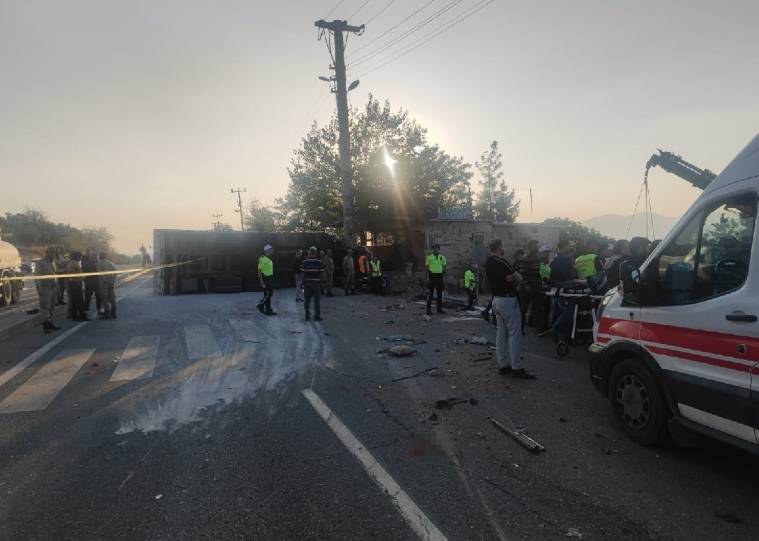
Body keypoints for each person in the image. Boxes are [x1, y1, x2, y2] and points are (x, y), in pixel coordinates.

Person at [486, 239, 534, 379]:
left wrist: (510, 278)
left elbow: (509, 278)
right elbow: (518, 277)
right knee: (515, 333)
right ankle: (517, 367)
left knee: (501, 333)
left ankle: (503, 365)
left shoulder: (488, 263)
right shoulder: (502, 261)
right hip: (508, 300)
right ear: (500, 247)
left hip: (496, 300)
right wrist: (513, 278)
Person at [516, 240, 546, 334]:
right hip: (528, 287)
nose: (537, 247)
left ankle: (538, 329)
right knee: (524, 309)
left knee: (535, 309)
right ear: (530, 246)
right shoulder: (525, 259)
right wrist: (526, 284)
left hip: (534, 287)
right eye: (535, 245)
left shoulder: (537, 259)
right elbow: (521, 274)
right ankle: (521, 329)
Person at [36, 246, 60, 333]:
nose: (52, 254)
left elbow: (55, 275)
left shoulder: (53, 262)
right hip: (45, 288)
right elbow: (37, 277)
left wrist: (58, 287)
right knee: (45, 308)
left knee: (52, 307)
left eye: (53, 252)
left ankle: (50, 323)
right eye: (50, 252)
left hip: (53, 287)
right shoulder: (40, 263)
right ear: (46, 253)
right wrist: (39, 289)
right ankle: (45, 326)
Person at [301, 246, 324, 321]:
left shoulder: (304, 262)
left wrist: (302, 283)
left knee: (307, 301)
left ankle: (307, 316)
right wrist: (322, 283)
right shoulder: (319, 262)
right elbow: (321, 274)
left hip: (307, 284)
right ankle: (317, 316)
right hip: (316, 284)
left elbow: (302, 274)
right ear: (316, 253)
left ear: (309, 252)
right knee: (317, 301)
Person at [66, 251, 88, 321]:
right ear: (77, 256)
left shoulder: (73, 263)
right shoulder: (73, 263)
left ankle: (74, 315)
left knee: (75, 301)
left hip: (75, 283)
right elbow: (72, 273)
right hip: (75, 283)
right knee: (79, 300)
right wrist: (78, 280)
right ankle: (81, 315)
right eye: (80, 256)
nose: (81, 258)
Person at [425, 244, 447, 315]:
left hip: (440, 276)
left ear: (439, 249)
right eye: (434, 249)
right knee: (430, 294)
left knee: (439, 294)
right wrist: (427, 277)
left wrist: (443, 274)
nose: (436, 250)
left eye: (437, 249)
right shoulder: (429, 257)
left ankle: (439, 309)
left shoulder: (442, 257)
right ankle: (428, 310)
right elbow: (427, 267)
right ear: (433, 249)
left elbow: (444, 266)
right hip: (432, 276)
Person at [82, 248, 102, 317]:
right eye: (92, 257)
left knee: (94, 297)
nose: (93, 258)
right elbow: (83, 274)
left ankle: (87, 311)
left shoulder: (87, 264)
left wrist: (85, 281)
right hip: (93, 282)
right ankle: (89, 311)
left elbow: (82, 274)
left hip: (92, 282)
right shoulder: (98, 263)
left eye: (94, 257)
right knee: (91, 298)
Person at [257, 244, 276, 315]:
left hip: (269, 278)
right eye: (271, 249)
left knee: (269, 294)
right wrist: (261, 280)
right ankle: (262, 306)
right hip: (265, 278)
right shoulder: (262, 258)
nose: (272, 250)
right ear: (267, 250)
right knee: (267, 294)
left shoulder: (269, 258)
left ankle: (266, 308)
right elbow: (259, 270)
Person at [98, 252, 117, 319]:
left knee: (105, 299)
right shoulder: (110, 263)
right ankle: (113, 313)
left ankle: (107, 314)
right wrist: (112, 280)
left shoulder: (99, 263)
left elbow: (100, 273)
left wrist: (105, 280)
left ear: (99, 256)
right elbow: (115, 272)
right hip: (111, 283)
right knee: (112, 298)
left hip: (104, 284)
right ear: (105, 256)